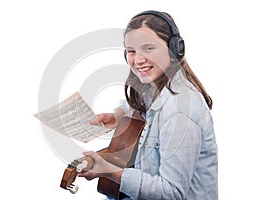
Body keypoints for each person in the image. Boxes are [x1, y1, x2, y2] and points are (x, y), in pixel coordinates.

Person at [78, 10, 218, 200]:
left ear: (174, 48)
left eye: (148, 48)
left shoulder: (181, 112)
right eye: (131, 51)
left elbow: (171, 192)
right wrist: (119, 115)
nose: (138, 60)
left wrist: (110, 172)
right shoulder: (156, 85)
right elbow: (144, 104)